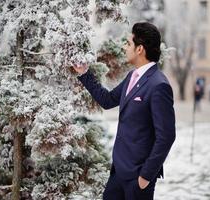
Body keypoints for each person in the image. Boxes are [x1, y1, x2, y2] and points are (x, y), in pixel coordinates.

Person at [73, 22, 176, 200]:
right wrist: (84, 74)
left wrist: (145, 177)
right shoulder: (132, 77)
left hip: (138, 178)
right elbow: (108, 100)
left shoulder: (159, 85)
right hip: (119, 172)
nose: (124, 47)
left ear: (139, 49)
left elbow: (166, 136)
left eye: (128, 43)